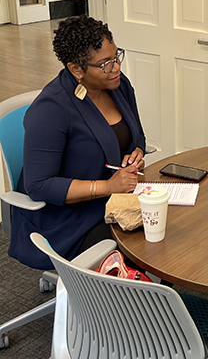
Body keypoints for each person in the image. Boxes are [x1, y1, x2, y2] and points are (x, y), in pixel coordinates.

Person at [8, 15, 147, 270]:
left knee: (168, 229)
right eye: (105, 64)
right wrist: (107, 187)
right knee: (141, 249)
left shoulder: (117, 85)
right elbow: (39, 186)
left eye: (116, 57)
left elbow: (137, 135)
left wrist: (136, 152)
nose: (116, 67)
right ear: (76, 69)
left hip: (116, 199)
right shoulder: (51, 109)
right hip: (67, 219)